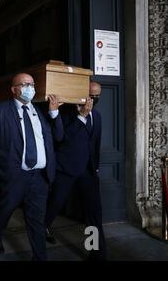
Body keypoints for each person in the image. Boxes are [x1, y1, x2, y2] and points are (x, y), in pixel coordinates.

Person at [0, 73, 63, 261]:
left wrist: (54, 113)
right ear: (14, 89)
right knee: (5, 208)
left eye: (32, 84)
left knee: (36, 220)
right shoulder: (0, 110)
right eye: (25, 84)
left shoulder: (42, 111)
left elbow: (58, 137)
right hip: (14, 174)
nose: (30, 88)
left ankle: (39, 257)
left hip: (40, 176)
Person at [45, 81, 107, 261]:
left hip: (88, 172)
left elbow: (94, 144)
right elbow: (61, 140)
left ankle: (96, 254)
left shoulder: (98, 116)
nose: (94, 99)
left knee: (94, 214)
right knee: (55, 204)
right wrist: (81, 116)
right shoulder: (66, 113)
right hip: (66, 169)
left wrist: (95, 166)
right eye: (91, 95)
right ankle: (41, 228)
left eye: (97, 96)